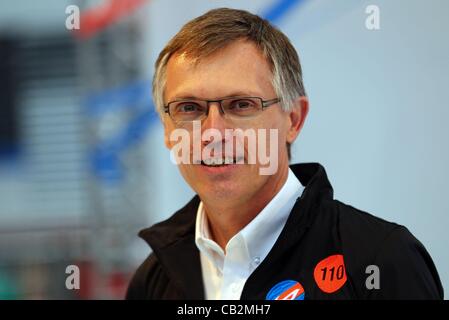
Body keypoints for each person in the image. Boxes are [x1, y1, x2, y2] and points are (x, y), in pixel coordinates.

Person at [126, 8, 443, 300]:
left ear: (294, 119)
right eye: (189, 108)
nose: (212, 133)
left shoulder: (379, 261)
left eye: (241, 105)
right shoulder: (153, 281)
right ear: (167, 129)